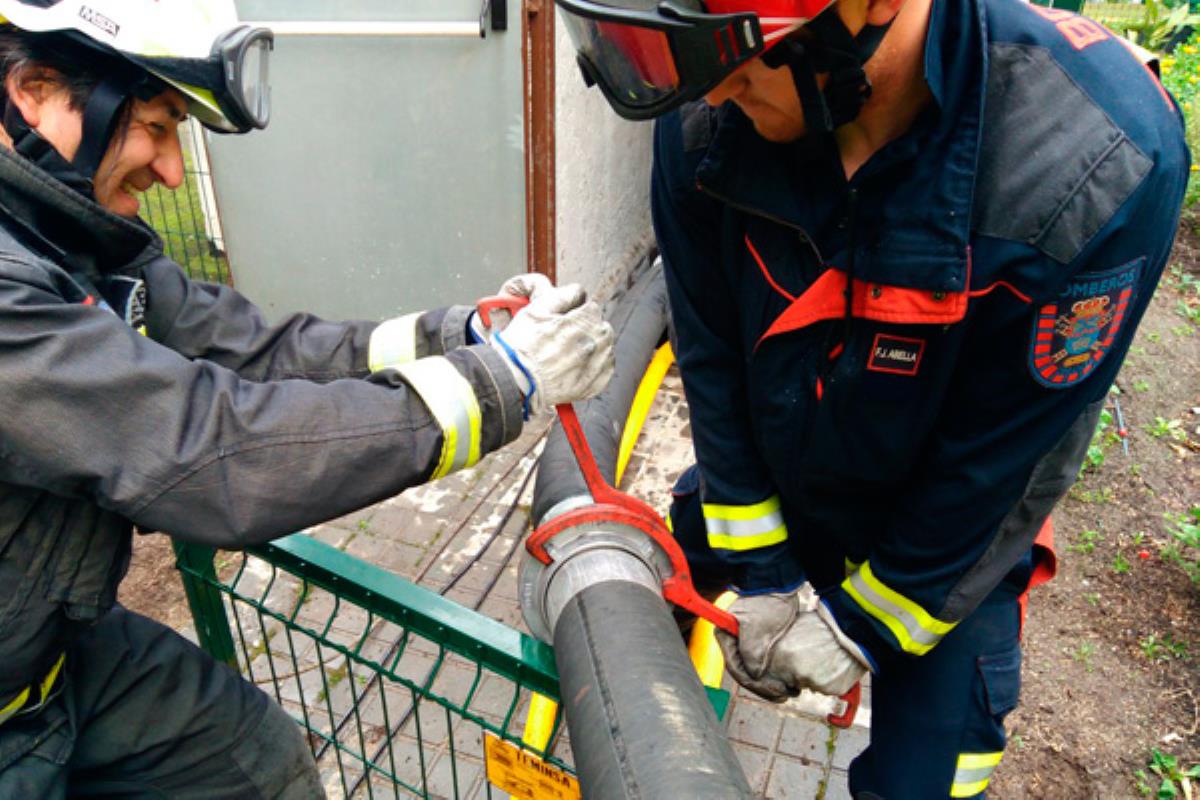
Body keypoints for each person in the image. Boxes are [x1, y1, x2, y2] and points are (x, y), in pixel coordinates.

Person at [555, 0, 1189, 796]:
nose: (712, 96)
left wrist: (862, 629)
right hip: (775, 473)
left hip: (940, 534)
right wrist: (762, 567)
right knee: (624, 614)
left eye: (731, 58)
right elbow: (711, 360)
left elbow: (1001, 461)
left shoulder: (1095, 160)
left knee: (934, 773)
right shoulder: (709, 110)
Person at [0, 0, 615, 796]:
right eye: (156, 126)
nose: (172, 171)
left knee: (251, 762)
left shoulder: (77, 244)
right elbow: (210, 453)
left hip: (52, 654)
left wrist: (463, 333)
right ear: (36, 92)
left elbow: (259, 348)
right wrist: (504, 382)